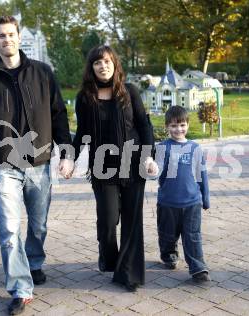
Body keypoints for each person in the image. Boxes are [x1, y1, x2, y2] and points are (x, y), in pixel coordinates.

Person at [0, 15, 74, 315]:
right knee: (9, 231)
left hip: (40, 164)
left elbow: (59, 114)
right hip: (3, 167)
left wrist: (67, 153)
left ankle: (34, 262)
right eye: (1, 35)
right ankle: (21, 289)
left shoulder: (43, 73)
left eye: (11, 34)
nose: (6, 39)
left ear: (19, 36)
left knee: (38, 226)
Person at [72, 45, 158, 292]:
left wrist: (149, 157)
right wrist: (70, 157)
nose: (103, 66)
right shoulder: (84, 98)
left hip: (133, 165)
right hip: (102, 167)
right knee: (108, 220)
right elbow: (82, 134)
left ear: (115, 64)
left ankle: (128, 274)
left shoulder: (129, 92)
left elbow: (144, 125)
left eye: (107, 61)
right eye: (98, 62)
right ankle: (109, 258)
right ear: (92, 68)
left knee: (132, 221)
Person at [154, 105, 211, 282]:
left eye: (182, 125)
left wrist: (205, 198)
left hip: (192, 202)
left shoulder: (195, 148)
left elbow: (202, 175)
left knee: (192, 236)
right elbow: (155, 172)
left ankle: (198, 267)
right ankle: (169, 255)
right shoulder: (162, 147)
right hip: (167, 202)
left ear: (187, 124)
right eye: (173, 126)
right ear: (167, 127)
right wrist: (151, 169)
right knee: (167, 234)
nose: (178, 129)